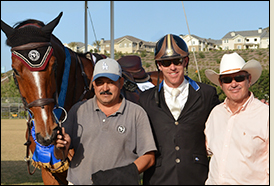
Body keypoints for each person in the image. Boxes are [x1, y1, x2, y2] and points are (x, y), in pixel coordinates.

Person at [54, 58, 157, 185]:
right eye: (100, 82)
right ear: (93, 84)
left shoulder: (136, 113)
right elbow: (60, 155)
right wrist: (61, 148)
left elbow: (149, 157)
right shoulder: (78, 110)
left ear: (121, 82)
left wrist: (119, 175)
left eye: (111, 82)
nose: (105, 88)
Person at [138, 34, 220, 185]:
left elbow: (225, 123)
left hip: (196, 178)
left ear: (186, 61)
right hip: (159, 178)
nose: (172, 67)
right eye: (166, 62)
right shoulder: (145, 99)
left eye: (177, 61)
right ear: (159, 65)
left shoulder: (207, 94)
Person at [204, 52, 269, 185]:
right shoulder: (215, 114)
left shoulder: (266, 115)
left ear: (249, 80)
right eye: (227, 80)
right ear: (221, 84)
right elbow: (208, 148)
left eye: (239, 78)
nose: (233, 84)